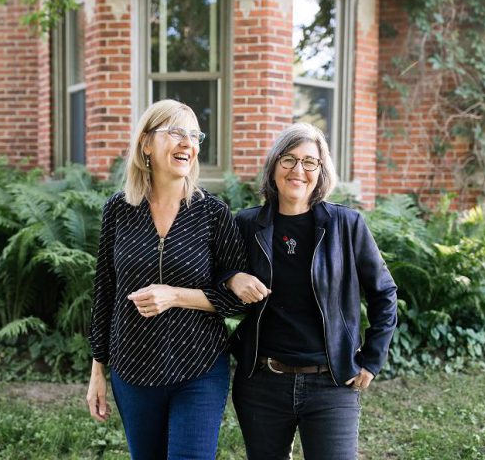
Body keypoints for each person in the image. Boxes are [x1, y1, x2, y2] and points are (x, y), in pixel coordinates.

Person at [86, 99, 249, 460]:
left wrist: (175, 295)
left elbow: (236, 298)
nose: (188, 143)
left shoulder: (213, 212)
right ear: (146, 143)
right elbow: (105, 291)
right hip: (133, 366)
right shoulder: (118, 209)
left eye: (194, 135)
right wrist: (98, 370)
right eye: (176, 132)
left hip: (200, 366)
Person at [225, 123, 398, 460]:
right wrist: (233, 278)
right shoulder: (246, 225)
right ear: (274, 166)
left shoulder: (346, 225)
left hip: (332, 382)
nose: (298, 170)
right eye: (288, 160)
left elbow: (384, 292)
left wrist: (372, 360)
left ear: (321, 171)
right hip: (262, 382)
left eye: (309, 162)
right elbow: (216, 275)